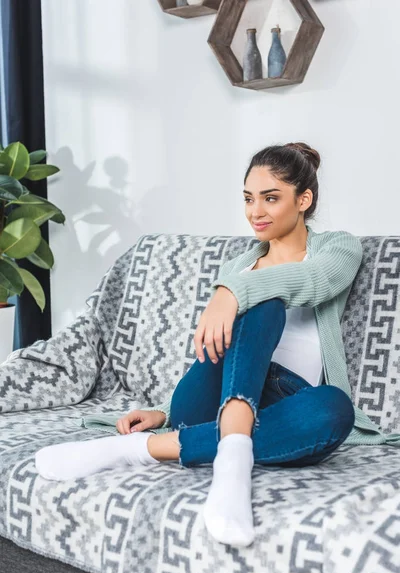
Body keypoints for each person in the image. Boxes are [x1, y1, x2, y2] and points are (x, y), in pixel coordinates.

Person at [35, 142, 361, 549]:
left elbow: (313, 282)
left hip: (288, 399)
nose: (255, 211)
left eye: (270, 198)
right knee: (258, 308)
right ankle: (230, 457)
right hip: (217, 394)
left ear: (304, 199)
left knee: (334, 409)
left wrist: (232, 292)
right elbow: (213, 354)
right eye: (248, 198)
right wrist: (165, 411)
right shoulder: (237, 267)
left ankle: (149, 451)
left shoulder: (337, 247)